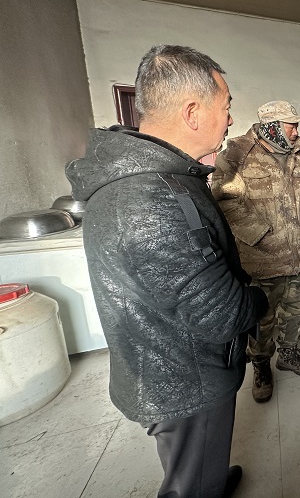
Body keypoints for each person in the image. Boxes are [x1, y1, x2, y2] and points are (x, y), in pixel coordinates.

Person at [66, 45, 268, 498]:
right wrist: (258, 297)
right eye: (226, 106)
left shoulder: (157, 177)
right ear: (193, 112)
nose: (230, 118)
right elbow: (219, 313)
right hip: (184, 378)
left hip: (172, 358)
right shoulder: (150, 198)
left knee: (200, 465)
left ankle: (209, 478)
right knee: (190, 482)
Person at [211, 101, 300, 403]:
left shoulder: (299, 155)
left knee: (294, 311)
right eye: (291, 125)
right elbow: (224, 201)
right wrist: (261, 233)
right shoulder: (237, 155)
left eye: (296, 125)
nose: (296, 131)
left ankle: (288, 354)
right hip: (262, 258)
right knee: (262, 319)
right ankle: (261, 365)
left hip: (297, 255)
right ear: (271, 126)